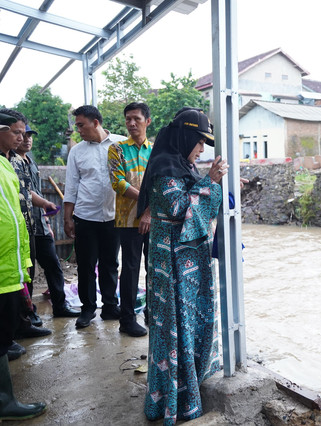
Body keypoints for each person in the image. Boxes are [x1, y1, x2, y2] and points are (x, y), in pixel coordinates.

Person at [137, 108, 227, 424]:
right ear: (186, 137)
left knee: (185, 322)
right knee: (174, 324)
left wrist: (210, 183)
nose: (202, 150)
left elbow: (192, 201)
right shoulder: (165, 168)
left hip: (183, 261)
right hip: (172, 263)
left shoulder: (180, 165)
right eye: (200, 142)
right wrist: (211, 182)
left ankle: (184, 388)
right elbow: (178, 210)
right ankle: (174, 401)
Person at [0, 114, 47, 421]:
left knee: (3, 334)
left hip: (9, 266)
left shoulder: (6, 164)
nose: (20, 137)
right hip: (2, 267)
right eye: (14, 132)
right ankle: (4, 403)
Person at [63, 105, 126, 329]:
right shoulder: (77, 152)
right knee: (86, 265)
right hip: (86, 216)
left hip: (113, 216)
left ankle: (110, 306)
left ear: (96, 122)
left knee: (110, 264)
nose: (78, 130)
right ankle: (87, 309)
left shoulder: (121, 144)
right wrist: (67, 218)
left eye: (81, 125)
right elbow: (71, 187)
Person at [15, 125, 80, 318]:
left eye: (29, 136)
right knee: (29, 273)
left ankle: (60, 306)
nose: (26, 139)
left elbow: (37, 193)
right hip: (25, 227)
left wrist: (48, 224)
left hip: (41, 225)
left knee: (53, 266)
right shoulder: (11, 162)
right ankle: (29, 315)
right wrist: (45, 204)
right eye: (22, 135)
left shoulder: (31, 162)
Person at [0, 109, 53, 339]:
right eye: (16, 132)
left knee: (24, 276)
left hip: (23, 228)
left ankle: (23, 321)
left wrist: (43, 204)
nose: (21, 137)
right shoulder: (6, 161)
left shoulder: (15, 160)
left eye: (23, 132)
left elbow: (26, 192)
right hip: (7, 235)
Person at [107, 102, 152, 337]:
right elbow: (119, 183)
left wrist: (149, 211)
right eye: (128, 119)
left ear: (147, 121)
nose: (131, 123)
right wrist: (147, 204)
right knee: (131, 269)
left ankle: (153, 313)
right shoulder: (117, 149)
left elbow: (162, 186)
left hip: (154, 219)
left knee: (155, 267)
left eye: (136, 118)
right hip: (128, 221)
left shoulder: (155, 151)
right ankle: (127, 319)